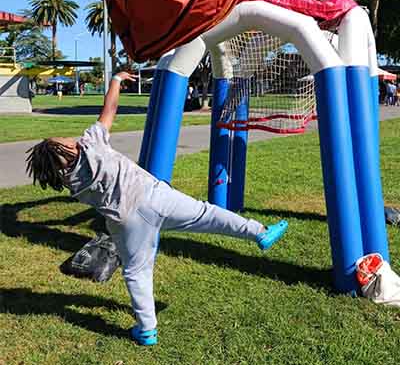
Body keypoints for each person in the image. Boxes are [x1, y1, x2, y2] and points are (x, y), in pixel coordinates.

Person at [26, 71, 288, 346]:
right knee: (207, 214)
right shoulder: (91, 144)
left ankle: (147, 330)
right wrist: (115, 80)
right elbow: (110, 109)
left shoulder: (71, 183)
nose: (70, 139)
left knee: (137, 272)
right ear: (66, 151)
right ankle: (259, 232)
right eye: (64, 142)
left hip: (126, 221)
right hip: (156, 197)